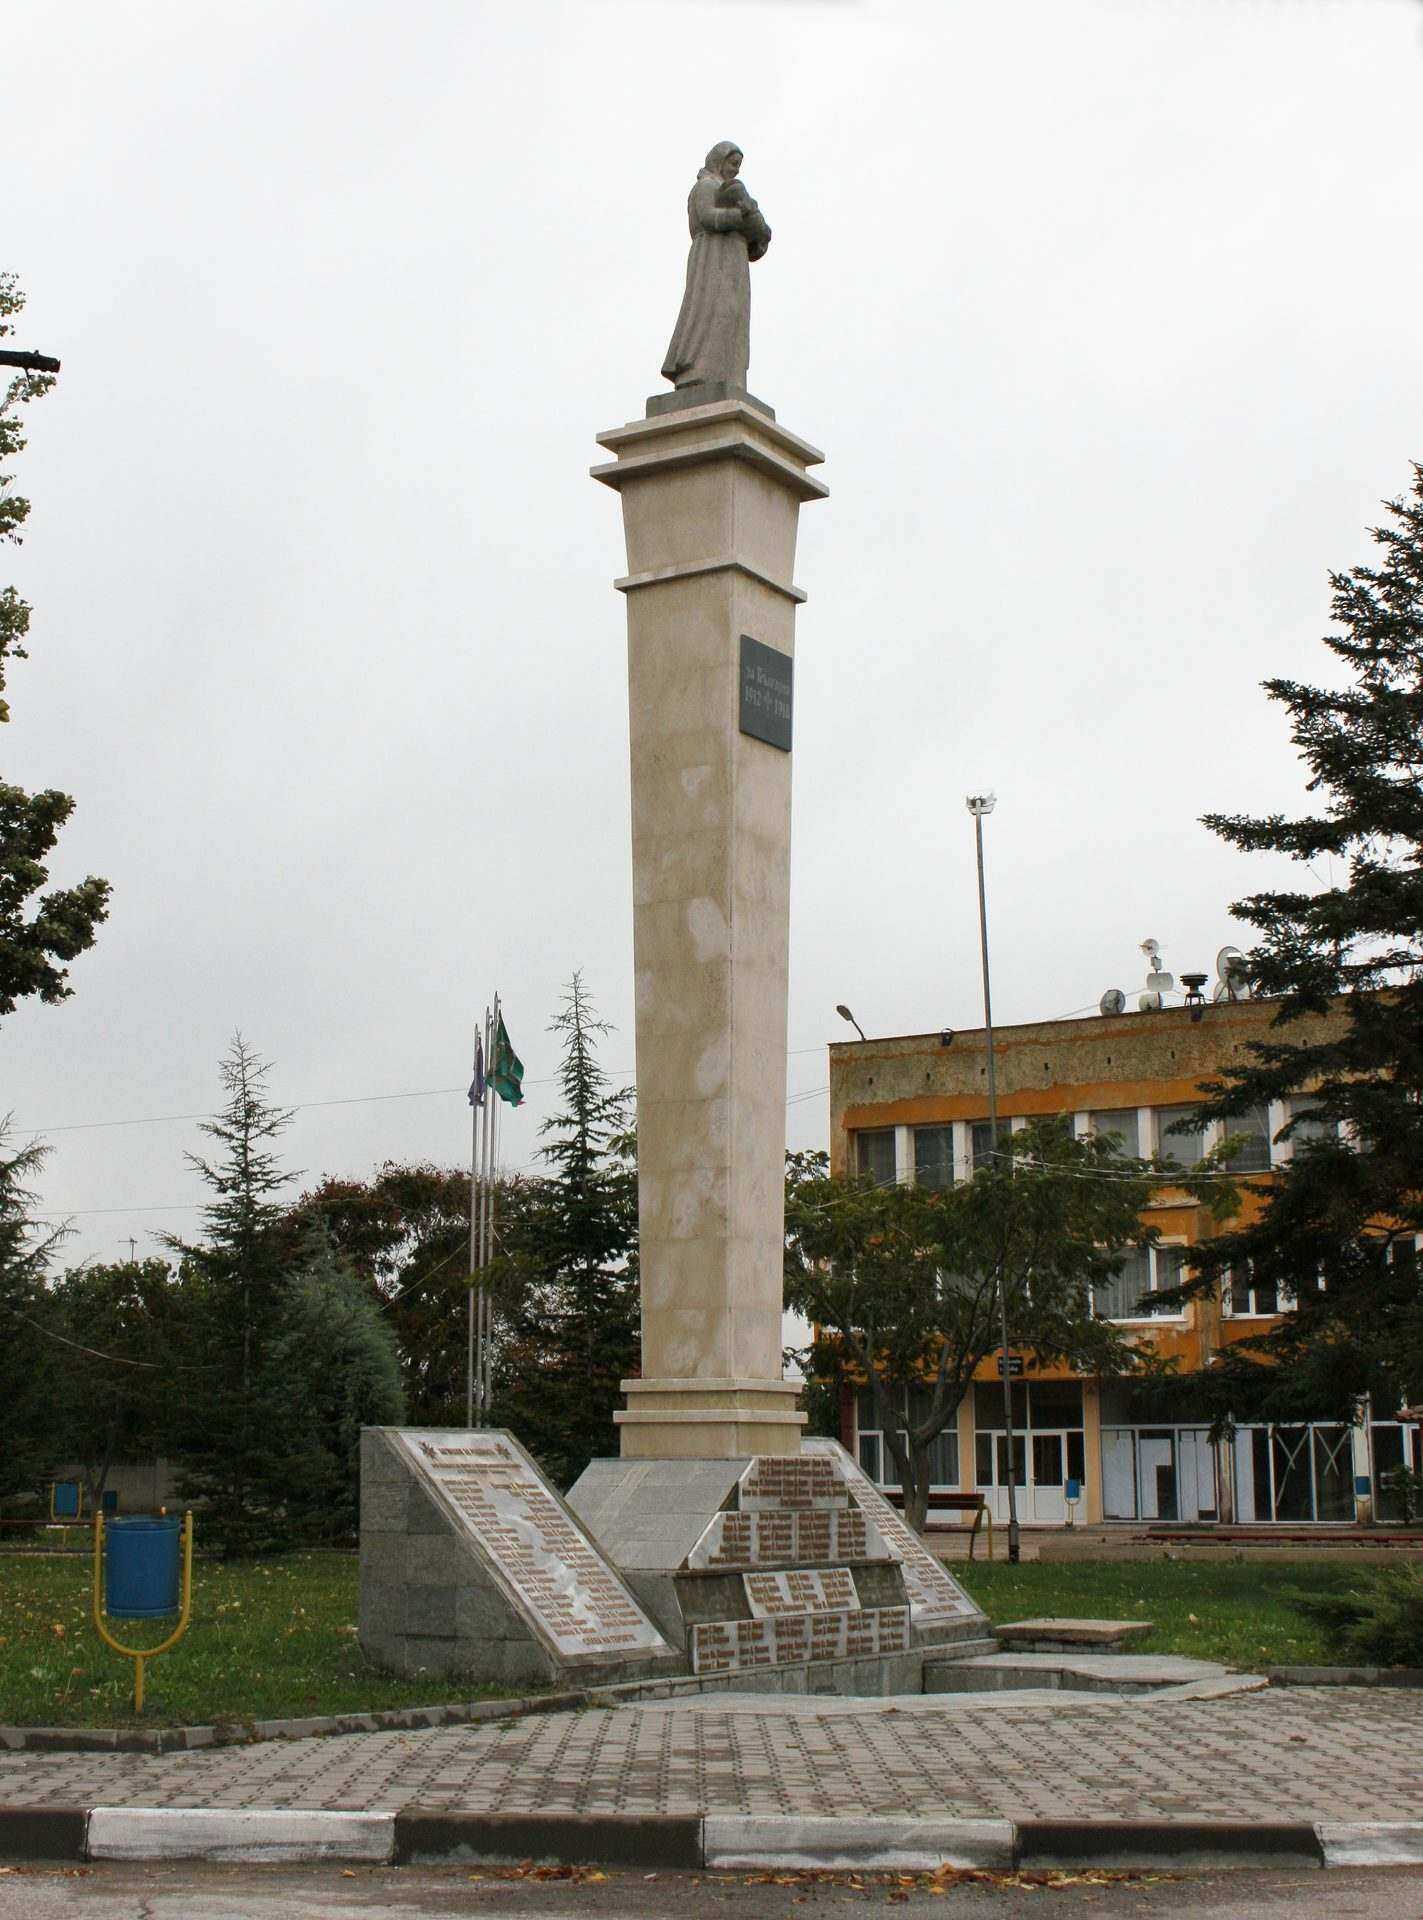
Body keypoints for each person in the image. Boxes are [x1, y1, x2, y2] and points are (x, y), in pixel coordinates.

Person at [661, 142, 772, 394]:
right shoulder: (706, 186)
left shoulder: (731, 190)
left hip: (735, 259)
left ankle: (729, 374)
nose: (736, 170)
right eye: (733, 164)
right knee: (712, 309)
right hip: (711, 255)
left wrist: (756, 227)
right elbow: (708, 217)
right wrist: (740, 216)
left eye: (739, 166)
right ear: (719, 160)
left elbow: (757, 241)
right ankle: (698, 372)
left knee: (733, 314)